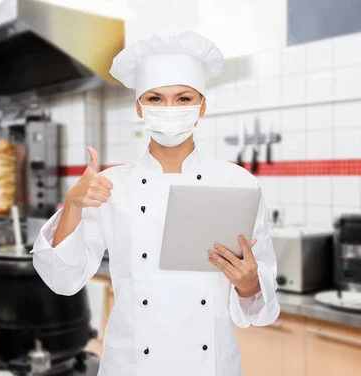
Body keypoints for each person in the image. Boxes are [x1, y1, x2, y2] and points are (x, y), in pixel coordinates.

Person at [31, 29, 280, 376]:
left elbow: (262, 303)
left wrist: (249, 281)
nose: (169, 108)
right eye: (155, 98)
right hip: (132, 365)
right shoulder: (111, 184)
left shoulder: (238, 183)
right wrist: (72, 205)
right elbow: (63, 278)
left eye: (183, 98)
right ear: (139, 107)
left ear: (202, 105)